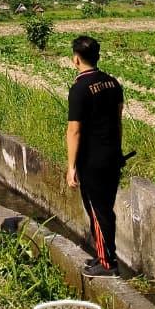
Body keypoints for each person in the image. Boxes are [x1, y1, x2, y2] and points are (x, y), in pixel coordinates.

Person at [66, 34, 124, 277]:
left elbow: (74, 130)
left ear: (76, 59)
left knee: (98, 211)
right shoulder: (113, 83)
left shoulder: (79, 89)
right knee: (104, 209)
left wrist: (71, 166)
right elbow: (118, 119)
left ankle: (108, 263)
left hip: (92, 160)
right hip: (112, 155)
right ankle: (103, 255)